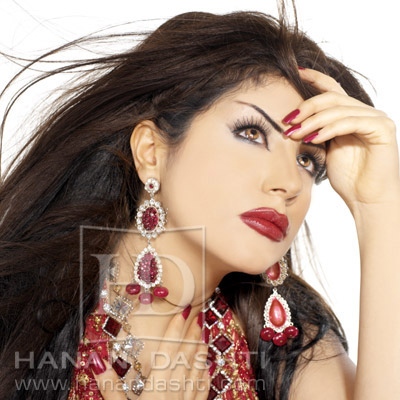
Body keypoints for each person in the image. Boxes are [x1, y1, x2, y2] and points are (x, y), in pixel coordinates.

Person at [0, 6, 399, 400]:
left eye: (307, 161)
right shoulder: (19, 309)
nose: (289, 183)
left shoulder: (285, 344)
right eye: (252, 134)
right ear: (151, 152)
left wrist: (377, 205)